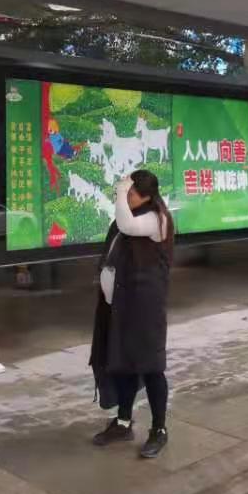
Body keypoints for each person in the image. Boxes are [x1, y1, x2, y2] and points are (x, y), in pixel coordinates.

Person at [90, 169, 175, 459]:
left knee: (151, 367)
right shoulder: (130, 216)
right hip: (121, 305)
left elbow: (126, 225)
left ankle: (159, 429)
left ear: (148, 196)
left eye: (132, 193)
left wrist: (119, 190)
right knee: (123, 364)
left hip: (145, 308)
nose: (127, 197)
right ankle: (123, 422)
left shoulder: (157, 219)